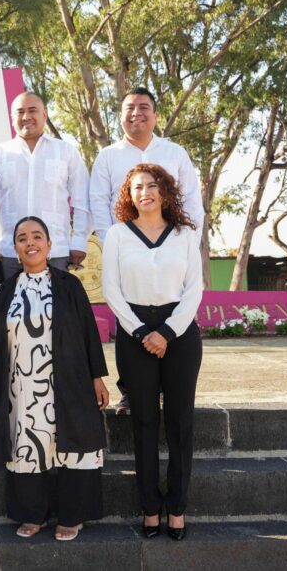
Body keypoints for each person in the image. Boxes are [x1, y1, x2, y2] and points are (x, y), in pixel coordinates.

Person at [0, 216, 109, 541]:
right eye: (23, 238)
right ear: (15, 248)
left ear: (49, 244)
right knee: (29, 448)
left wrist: (98, 376)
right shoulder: (6, 291)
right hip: (23, 387)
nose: (30, 243)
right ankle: (33, 514)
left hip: (69, 381)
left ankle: (72, 516)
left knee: (74, 448)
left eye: (37, 236)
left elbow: (88, 332)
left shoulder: (68, 284)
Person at [101, 164, 203, 541]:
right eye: (137, 187)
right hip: (135, 332)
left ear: (165, 192)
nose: (145, 192)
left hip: (179, 333)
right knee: (144, 423)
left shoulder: (185, 234)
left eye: (152, 186)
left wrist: (167, 331)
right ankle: (149, 508)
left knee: (180, 423)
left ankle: (176, 508)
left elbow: (194, 288)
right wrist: (144, 331)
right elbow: (111, 289)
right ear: (129, 194)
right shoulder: (116, 235)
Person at [88, 87, 202, 413]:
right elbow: (98, 200)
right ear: (120, 115)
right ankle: (131, 391)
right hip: (126, 250)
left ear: (155, 113)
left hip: (172, 249)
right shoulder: (108, 155)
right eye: (129, 108)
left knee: (174, 319)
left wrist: (186, 244)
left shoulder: (174, 152)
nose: (136, 113)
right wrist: (113, 241)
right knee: (130, 321)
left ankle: (171, 388)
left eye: (144, 107)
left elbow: (192, 199)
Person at [0, 92, 91, 281]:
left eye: (32, 110)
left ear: (45, 114)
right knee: (12, 309)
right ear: (12, 117)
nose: (26, 117)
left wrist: (80, 239)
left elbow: (82, 199)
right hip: (10, 254)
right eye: (20, 112)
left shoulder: (65, 151)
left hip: (56, 253)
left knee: (57, 309)